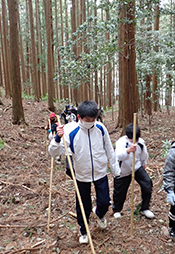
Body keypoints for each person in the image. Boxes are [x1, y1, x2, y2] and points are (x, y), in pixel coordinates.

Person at [48, 100, 120, 244]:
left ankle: (100, 214)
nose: (91, 122)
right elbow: (53, 152)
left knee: (105, 201)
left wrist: (115, 170)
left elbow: (109, 149)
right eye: (88, 120)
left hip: (100, 172)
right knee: (83, 205)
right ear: (79, 117)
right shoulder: (71, 131)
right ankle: (83, 230)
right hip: (81, 175)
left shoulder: (100, 128)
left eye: (93, 119)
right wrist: (57, 138)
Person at [112, 123, 154, 219]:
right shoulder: (121, 142)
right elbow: (117, 156)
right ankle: (117, 209)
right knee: (120, 191)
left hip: (137, 167)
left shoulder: (141, 142)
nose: (135, 141)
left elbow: (144, 154)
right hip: (123, 170)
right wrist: (128, 150)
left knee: (147, 183)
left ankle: (145, 208)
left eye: (137, 139)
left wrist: (143, 163)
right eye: (132, 139)